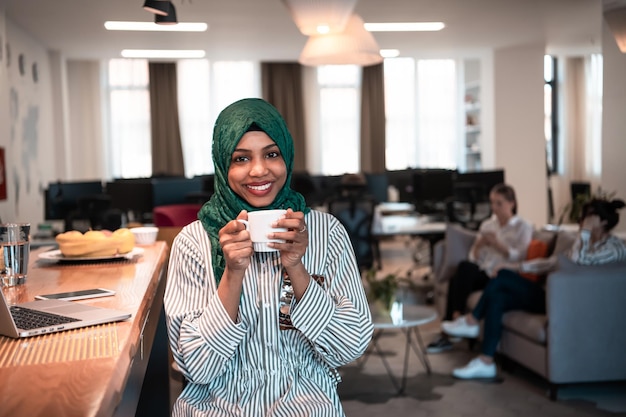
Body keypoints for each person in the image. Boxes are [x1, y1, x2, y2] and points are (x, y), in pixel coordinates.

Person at [164, 98, 374, 417]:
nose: (259, 170)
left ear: (287, 157)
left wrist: (297, 269)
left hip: (307, 407)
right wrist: (232, 273)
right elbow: (196, 368)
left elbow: (350, 347)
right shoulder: (193, 243)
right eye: (241, 158)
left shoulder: (325, 233)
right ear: (223, 165)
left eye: (271, 154)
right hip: (217, 410)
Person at [443, 198, 626, 379]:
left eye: (586, 218)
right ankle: (486, 361)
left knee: (503, 278)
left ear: (602, 222)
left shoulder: (615, 247)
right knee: (498, 295)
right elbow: (550, 263)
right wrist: (515, 267)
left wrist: (584, 233)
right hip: (553, 297)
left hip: (567, 305)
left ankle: (472, 320)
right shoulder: (584, 244)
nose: (581, 222)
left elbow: (579, 263)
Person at [427, 183, 533, 353]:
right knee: (463, 269)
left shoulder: (523, 226)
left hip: (503, 274)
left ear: (512, 203)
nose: (494, 208)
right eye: (492, 203)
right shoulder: (487, 225)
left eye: (499, 203)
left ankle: (450, 331)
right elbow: (473, 257)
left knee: (461, 275)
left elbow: (521, 257)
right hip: (484, 272)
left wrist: (498, 245)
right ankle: (456, 319)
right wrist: (480, 245)